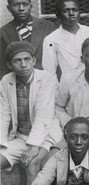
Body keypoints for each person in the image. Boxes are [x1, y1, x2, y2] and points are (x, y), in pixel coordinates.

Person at [0, 41, 62, 185]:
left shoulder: (46, 78)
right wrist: (1, 142)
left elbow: (43, 115)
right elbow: (3, 114)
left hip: (46, 136)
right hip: (21, 137)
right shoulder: (6, 81)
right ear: (9, 65)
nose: (23, 64)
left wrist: (34, 146)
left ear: (33, 60)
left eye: (27, 59)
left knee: (31, 164)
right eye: (17, 60)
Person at [32, 117, 89, 185]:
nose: (79, 142)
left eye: (84, 137)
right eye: (73, 137)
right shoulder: (58, 157)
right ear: (66, 138)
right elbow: (43, 178)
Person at [0, 0, 56, 79]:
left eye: (25, 4)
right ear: (9, 8)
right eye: (16, 5)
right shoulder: (3, 32)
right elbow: (2, 66)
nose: (21, 8)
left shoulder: (48, 27)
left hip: (45, 82)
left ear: (31, 5)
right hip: (17, 84)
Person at [42, 0, 89, 77]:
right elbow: (49, 72)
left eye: (75, 10)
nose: (71, 14)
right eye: (66, 11)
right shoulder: (51, 39)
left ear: (79, 13)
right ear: (58, 15)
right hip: (69, 85)